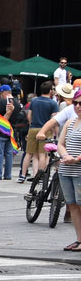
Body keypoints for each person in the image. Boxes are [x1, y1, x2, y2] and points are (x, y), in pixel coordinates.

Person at [55, 98, 81, 251]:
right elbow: (60, 143)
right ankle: (79, 239)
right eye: (75, 103)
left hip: (79, 170)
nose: (78, 106)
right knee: (72, 205)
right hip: (66, 169)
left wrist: (76, 159)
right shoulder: (69, 122)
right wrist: (65, 155)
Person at [25, 80, 59, 180]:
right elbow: (54, 119)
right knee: (42, 154)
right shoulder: (53, 103)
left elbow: (29, 115)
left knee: (29, 153)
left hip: (33, 128)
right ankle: (41, 175)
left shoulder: (34, 101)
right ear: (50, 90)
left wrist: (31, 125)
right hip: (45, 130)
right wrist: (54, 132)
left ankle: (23, 175)